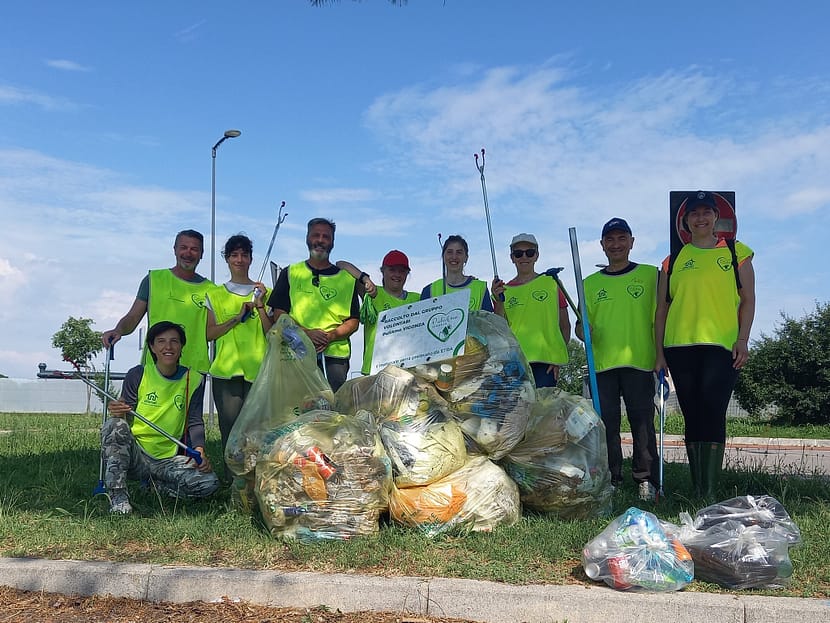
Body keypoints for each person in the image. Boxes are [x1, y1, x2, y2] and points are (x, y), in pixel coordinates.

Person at [655, 191, 755, 498]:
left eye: (706, 212)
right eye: (694, 214)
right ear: (685, 221)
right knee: (692, 413)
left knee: (713, 411)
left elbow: (748, 299)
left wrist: (742, 339)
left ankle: (710, 490)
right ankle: (697, 487)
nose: (701, 218)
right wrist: (659, 354)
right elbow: (662, 308)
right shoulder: (672, 260)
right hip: (680, 345)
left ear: (716, 217)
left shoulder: (737, 252)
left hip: (721, 345)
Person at [101, 321, 220, 514]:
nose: (168, 347)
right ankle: (118, 495)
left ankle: (157, 487)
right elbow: (125, 413)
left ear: (181, 346)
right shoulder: (138, 374)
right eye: (161, 341)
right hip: (136, 455)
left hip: (168, 459)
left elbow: (195, 421)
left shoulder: (195, 379)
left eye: (174, 341)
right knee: (114, 425)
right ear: (152, 347)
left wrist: (200, 451)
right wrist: (117, 409)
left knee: (209, 483)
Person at [578, 218, 659, 501]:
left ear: (632, 242)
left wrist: (661, 355)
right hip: (602, 365)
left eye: (621, 238)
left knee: (642, 423)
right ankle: (611, 477)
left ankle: (646, 479)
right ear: (601, 245)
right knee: (606, 426)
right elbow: (580, 327)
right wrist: (582, 328)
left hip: (640, 360)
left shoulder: (651, 275)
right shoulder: (589, 283)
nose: (616, 245)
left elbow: (661, 316)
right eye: (610, 240)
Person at [263, 217, 360, 392]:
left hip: (334, 359)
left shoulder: (346, 279)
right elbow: (279, 314)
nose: (320, 240)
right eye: (316, 235)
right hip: (296, 354)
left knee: (332, 412)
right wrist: (305, 333)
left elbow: (353, 322)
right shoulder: (290, 273)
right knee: (298, 410)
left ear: (332, 242)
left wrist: (330, 336)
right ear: (307, 238)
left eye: (326, 237)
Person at [205, 234, 270, 483]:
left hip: (259, 373)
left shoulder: (264, 292)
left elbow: (270, 332)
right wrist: (236, 317)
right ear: (227, 259)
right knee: (230, 431)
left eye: (244, 255)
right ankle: (233, 485)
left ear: (251, 258)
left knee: (258, 432)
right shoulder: (215, 294)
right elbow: (210, 333)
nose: (239, 260)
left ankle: (257, 483)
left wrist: (261, 306)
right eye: (234, 255)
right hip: (226, 372)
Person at [102, 230, 213, 374]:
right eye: (183, 247)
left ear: (202, 254)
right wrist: (119, 330)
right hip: (155, 367)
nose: (188, 253)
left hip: (193, 370)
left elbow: (213, 331)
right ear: (175, 250)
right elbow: (133, 317)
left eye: (194, 249)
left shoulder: (211, 290)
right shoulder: (153, 280)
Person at [491, 233, 570, 387]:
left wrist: (558, 358)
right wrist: (498, 301)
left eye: (529, 252)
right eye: (518, 253)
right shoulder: (502, 290)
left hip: (545, 363)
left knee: (544, 411)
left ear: (537, 255)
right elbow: (499, 329)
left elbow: (565, 325)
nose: (524, 257)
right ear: (512, 257)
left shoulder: (552, 283)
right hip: (515, 363)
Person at [350, 250, 421, 375]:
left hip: (406, 371)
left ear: (407, 274)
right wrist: (365, 279)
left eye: (402, 271)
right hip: (375, 370)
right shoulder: (373, 294)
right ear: (383, 271)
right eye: (392, 270)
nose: (397, 274)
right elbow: (341, 265)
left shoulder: (418, 299)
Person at [420, 234, 494, 311]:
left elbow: (489, 321)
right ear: (443, 256)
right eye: (449, 252)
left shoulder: (480, 288)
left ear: (466, 258)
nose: (454, 257)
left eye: (459, 252)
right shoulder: (429, 291)